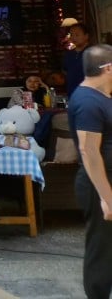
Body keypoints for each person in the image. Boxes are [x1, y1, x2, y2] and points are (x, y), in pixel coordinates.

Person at [68, 43, 112, 299]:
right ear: (108, 68)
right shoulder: (86, 100)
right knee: (102, 247)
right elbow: (89, 152)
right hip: (99, 184)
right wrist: (106, 197)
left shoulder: (103, 96)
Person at [66, 23, 91, 99]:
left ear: (86, 36)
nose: (74, 38)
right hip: (73, 94)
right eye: (71, 35)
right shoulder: (68, 54)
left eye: (77, 35)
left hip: (90, 94)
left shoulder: (94, 52)